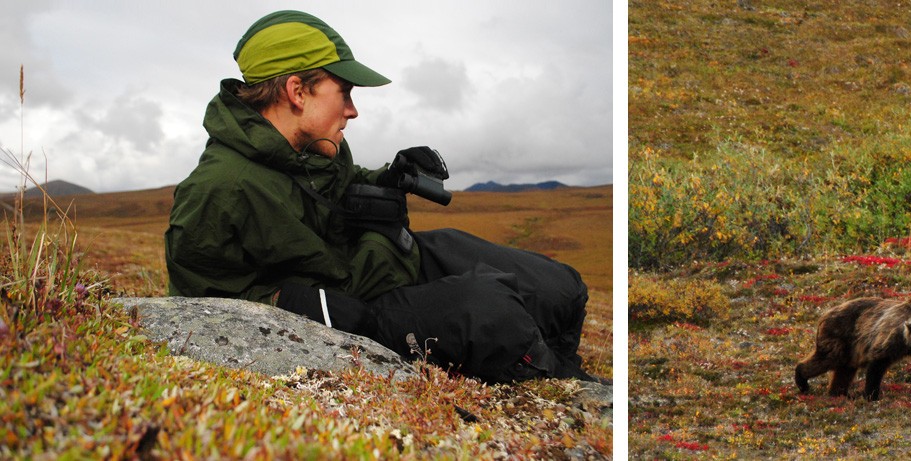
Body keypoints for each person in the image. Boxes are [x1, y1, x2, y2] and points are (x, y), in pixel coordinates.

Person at [165, 10, 599, 383]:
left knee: (559, 286)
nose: (353, 110)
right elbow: (199, 304)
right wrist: (302, 308)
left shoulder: (316, 147)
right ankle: (564, 386)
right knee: (492, 314)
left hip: (388, 259)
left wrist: (391, 177)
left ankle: (562, 362)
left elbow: (337, 184)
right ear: (297, 92)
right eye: (345, 93)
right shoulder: (219, 189)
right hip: (361, 305)